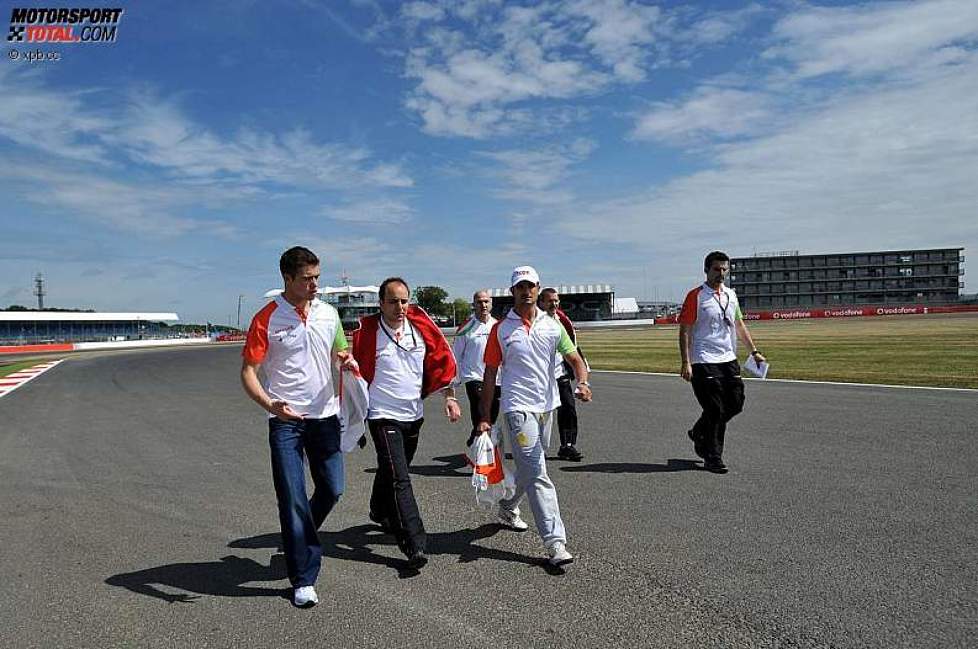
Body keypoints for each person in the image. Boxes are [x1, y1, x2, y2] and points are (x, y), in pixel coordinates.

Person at [240, 246, 356, 608]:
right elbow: (248, 372)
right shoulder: (266, 318)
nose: (315, 285)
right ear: (287, 279)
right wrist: (270, 404)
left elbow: (340, 350)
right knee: (291, 500)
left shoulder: (328, 314)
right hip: (285, 422)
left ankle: (299, 534)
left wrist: (346, 360)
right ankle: (303, 578)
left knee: (333, 489)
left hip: (325, 417)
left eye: (317, 277)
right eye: (307, 279)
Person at [477, 266, 592, 567]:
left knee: (530, 469)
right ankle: (556, 543)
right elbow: (490, 374)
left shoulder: (553, 326)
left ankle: (507, 506)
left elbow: (575, 358)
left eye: (531, 286)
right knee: (538, 472)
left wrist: (582, 382)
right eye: (520, 287)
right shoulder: (501, 329)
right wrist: (485, 416)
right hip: (516, 408)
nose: (526, 291)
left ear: (538, 288)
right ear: (512, 291)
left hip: (547, 407)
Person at [351, 277, 460, 569]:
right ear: (381, 303)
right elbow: (354, 373)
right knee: (401, 479)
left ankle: (377, 508)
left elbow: (440, 364)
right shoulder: (368, 333)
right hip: (382, 415)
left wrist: (450, 398)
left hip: (413, 415)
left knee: (393, 469)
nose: (400, 307)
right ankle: (414, 543)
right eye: (392, 301)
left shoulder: (420, 330)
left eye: (404, 301)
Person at [678, 250, 766, 474]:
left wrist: (754, 351)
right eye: (717, 269)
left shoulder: (731, 295)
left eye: (724, 269)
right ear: (706, 269)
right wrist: (685, 362)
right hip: (703, 359)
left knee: (735, 404)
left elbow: (739, 325)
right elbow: (685, 330)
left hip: (729, 358)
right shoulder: (695, 296)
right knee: (715, 410)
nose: (721, 273)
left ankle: (698, 430)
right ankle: (712, 456)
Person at [538, 288, 584, 461]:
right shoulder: (533, 320)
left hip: (560, 372)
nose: (554, 304)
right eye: (550, 301)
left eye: (556, 301)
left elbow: (573, 345)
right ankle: (535, 445)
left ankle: (568, 445)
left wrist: (581, 374)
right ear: (541, 302)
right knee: (542, 412)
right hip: (541, 376)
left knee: (568, 408)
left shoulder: (562, 320)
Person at [452, 290, 500, 446]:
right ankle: (480, 456)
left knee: (491, 415)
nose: (483, 305)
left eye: (486, 301)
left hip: (496, 378)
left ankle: (475, 439)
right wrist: (456, 378)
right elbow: (456, 355)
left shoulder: (498, 326)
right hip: (474, 377)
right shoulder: (466, 328)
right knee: (481, 414)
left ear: (491, 304)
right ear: (474, 305)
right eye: (479, 302)